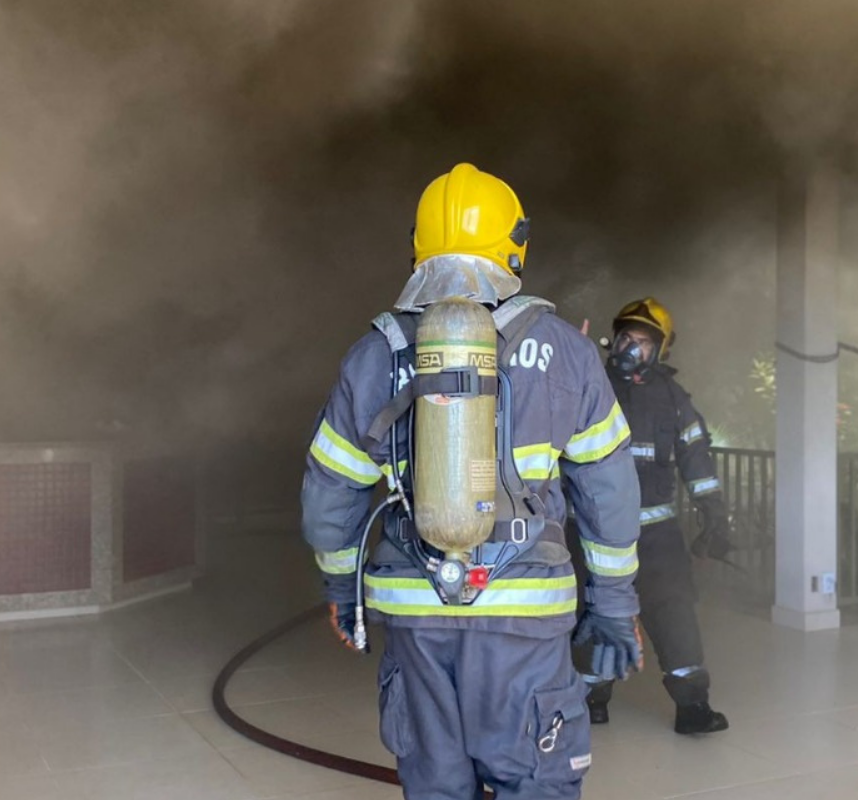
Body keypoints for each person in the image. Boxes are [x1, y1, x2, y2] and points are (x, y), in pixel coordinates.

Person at [301, 163, 643, 800]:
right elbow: (610, 492)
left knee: (433, 784)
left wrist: (342, 591)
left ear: (419, 245)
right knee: (535, 782)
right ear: (514, 243)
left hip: (415, 613)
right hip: (526, 616)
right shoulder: (565, 351)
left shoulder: (373, 354)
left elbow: (330, 494)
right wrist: (616, 607)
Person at [570, 297, 731, 735]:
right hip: (594, 528)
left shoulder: (675, 400)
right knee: (594, 613)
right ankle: (590, 698)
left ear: (661, 350)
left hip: (657, 534)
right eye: (625, 337)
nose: (630, 347)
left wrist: (715, 516)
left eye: (642, 341)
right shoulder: (590, 384)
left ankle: (693, 705)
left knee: (674, 614)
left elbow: (696, 460)